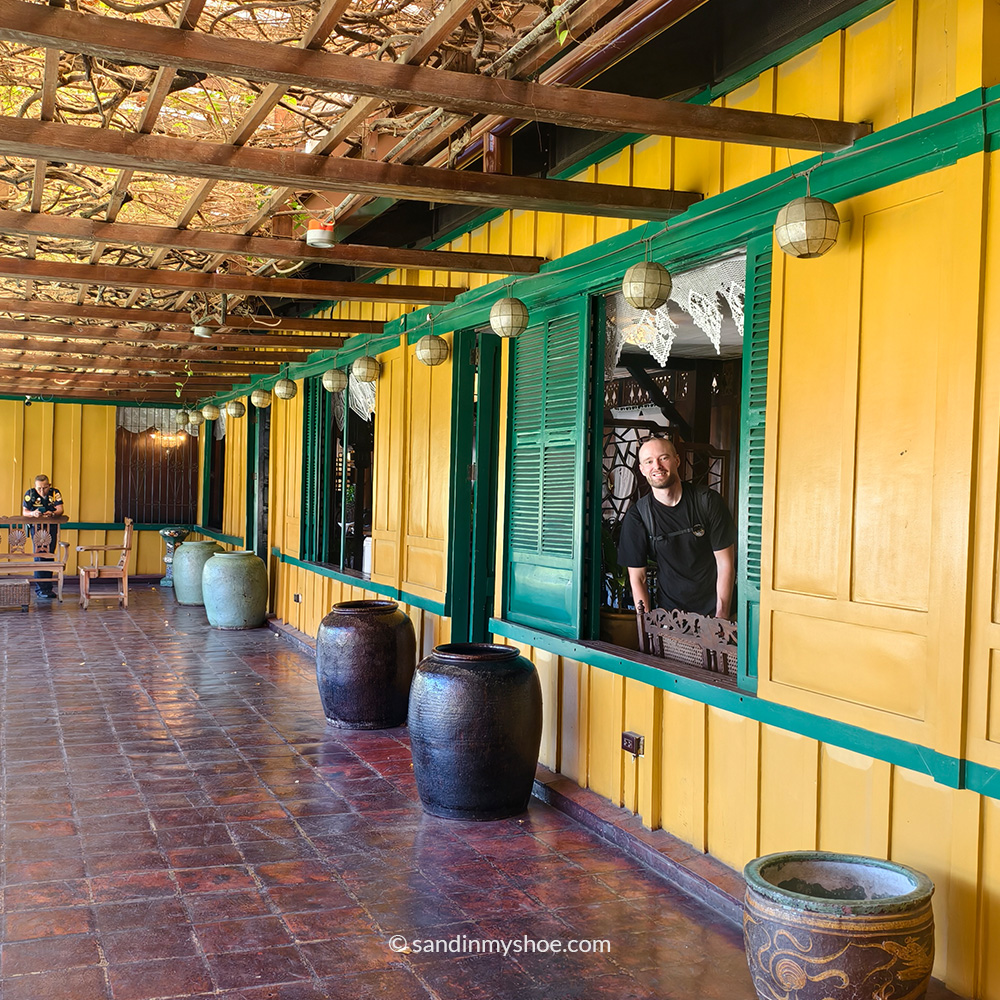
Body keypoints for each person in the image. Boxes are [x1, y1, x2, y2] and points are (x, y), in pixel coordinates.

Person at [617, 436, 736, 619]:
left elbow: (725, 564)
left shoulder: (707, 502)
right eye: (649, 461)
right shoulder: (638, 516)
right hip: (671, 617)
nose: (656, 466)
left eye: (663, 457)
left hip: (717, 612)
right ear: (642, 470)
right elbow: (638, 578)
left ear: (677, 460)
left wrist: (721, 619)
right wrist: (647, 626)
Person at [22, 474, 64, 599]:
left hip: (51, 527)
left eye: (44, 488)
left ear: (49, 485)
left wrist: (52, 513)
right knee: (39, 556)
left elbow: (60, 509)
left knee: (50, 555)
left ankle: (48, 588)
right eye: (39, 488)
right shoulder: (30, 494)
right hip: (37, 529)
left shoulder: (54, 493)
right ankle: (40, 589)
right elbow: (24, 512)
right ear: (35, 486)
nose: (41, 491)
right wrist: (33, 513)